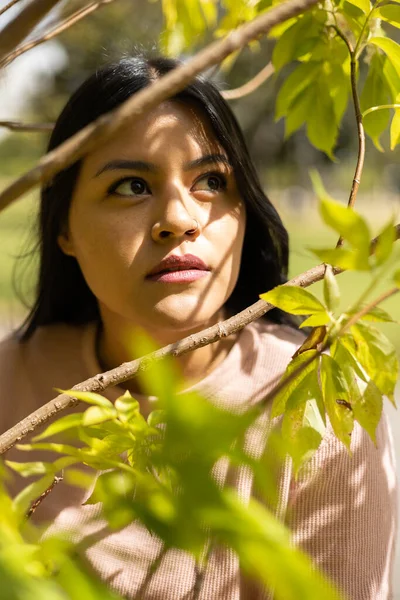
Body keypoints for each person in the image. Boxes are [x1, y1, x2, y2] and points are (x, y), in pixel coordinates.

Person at [0, 56, 396, 600]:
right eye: (131, 185)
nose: (180, 218)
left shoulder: (322, 406)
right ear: (64, 227)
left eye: (211, 181)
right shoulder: (9, 381)